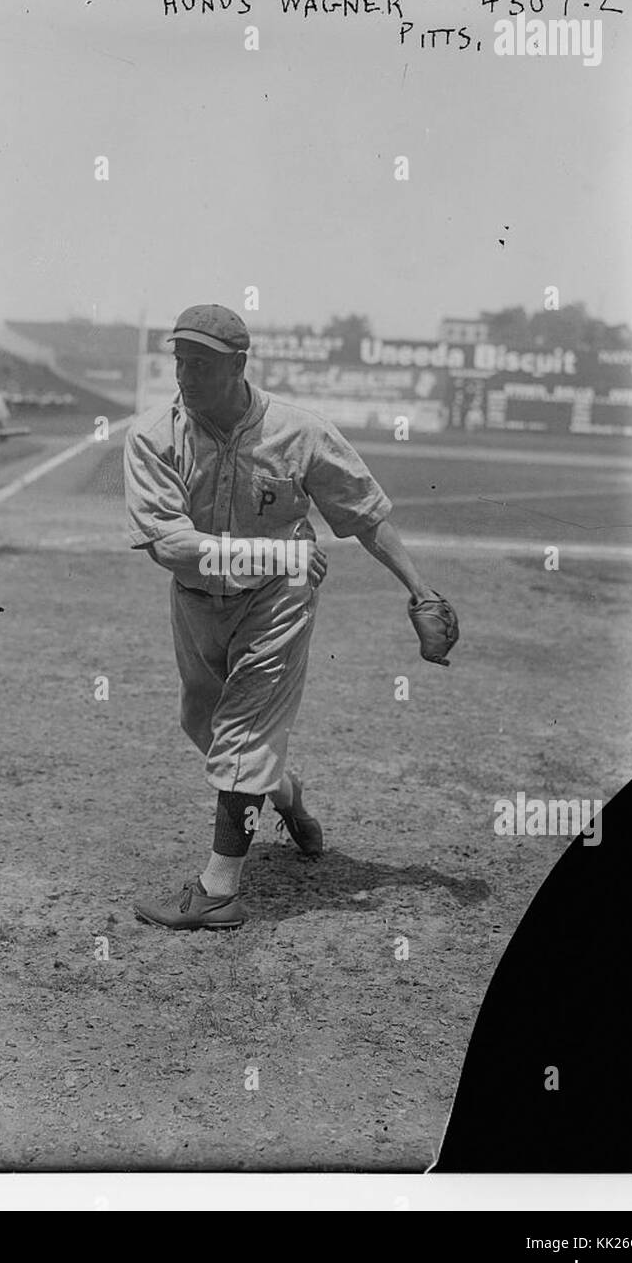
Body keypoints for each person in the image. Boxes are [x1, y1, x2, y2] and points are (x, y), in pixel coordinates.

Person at [124, 303, 458, 931]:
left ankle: (219, 890)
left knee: (244, 734)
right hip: (197, 600)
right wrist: (278, 549)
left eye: (201, 364)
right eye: (180, 362)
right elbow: (168, 544)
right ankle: (283, 793)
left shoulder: (300, 432)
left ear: (239, 365)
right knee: (201, 718)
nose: (185, 376)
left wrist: (421, 590)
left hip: (277, 600)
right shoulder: (152, 436)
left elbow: (363, 513)